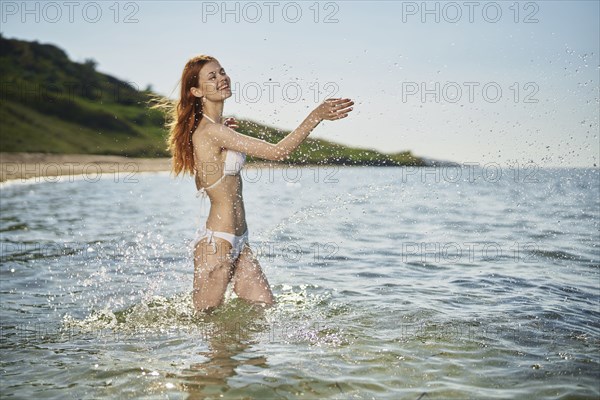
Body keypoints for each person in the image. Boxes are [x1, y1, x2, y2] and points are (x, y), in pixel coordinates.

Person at [163, 55, 354, 313]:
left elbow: (202, 181)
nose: (222, 78)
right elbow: (278, 152)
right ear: (196, 91)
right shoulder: (211, 131)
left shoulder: (215, 129)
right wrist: (316, 115)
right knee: (205, 326)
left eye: (222, 72)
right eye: (212, 77)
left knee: (263, 312)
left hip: (239, 241)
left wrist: (224, 136)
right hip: (217, 244)